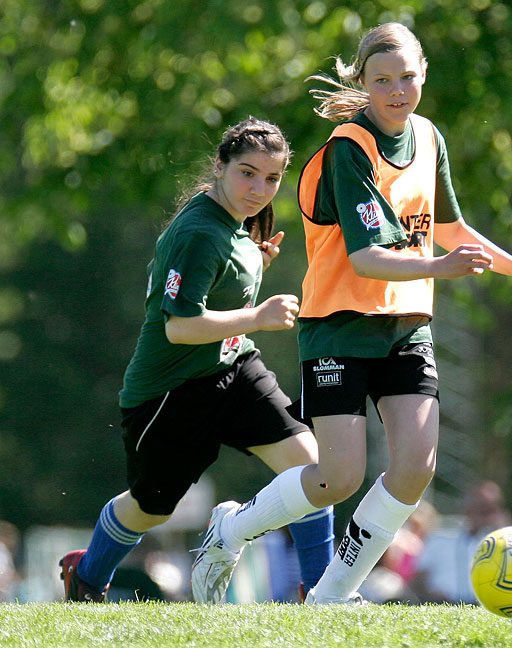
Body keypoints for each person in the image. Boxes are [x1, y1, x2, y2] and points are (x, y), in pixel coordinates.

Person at [192, 22, 512, 605]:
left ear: (423, 75)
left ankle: (333, 595)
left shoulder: (429, 137)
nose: (396, 90)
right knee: (338, 478)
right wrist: (441, 269)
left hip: (407, 324)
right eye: (381, 80)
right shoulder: (347, 150)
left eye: (407, 77)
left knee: (416, 467)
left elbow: (450, 227)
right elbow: (366, 259)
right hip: (337, 325)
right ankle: (230, 528)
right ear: (363, 83)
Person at [59, 117, 334, 603]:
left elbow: (216, 285)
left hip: (233, 369)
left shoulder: (235, 224)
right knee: (150, 510)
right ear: (220, 166)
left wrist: (253, 267)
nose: (259, 189)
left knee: (314, 468)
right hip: (169, 393)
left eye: (271, 179)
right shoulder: (200, 232)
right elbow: (179, 327)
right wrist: (257, 315)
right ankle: (87, 576)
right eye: (247, 173)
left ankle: (323, 593)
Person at [411, 481, 512, 604]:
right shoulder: (440, 539)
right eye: (477, 507)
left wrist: (504, 531)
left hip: (487, 604)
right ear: (466, 508)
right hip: (441, 603)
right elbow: (418, 580)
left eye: (488, 510)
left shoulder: (504, 543)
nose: (481, 515)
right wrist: (430, 594)